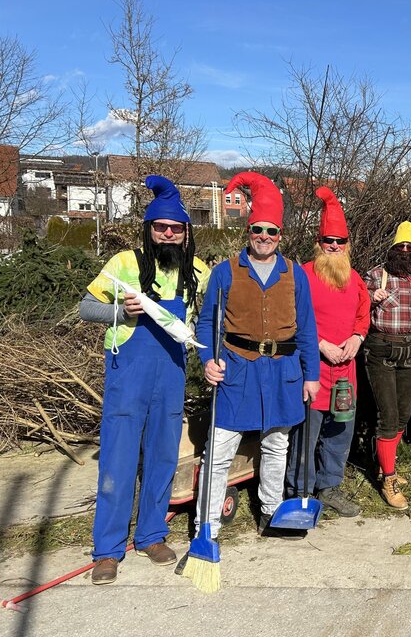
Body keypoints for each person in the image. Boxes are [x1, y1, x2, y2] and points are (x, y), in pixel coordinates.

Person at [81, 175, 209, 585]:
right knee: (118, 460)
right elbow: (86, 307)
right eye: (161, 228)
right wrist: (123, 313)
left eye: (176, 228)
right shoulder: (124, 264)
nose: (168, 234)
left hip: (170, 375)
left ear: (186, 233)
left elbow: (209, 320)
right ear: (149, 230)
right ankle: (107, 549)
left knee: (163, 457)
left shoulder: (198, 272)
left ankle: (152, 535)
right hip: (127, 375)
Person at [195, 171, 320, 541]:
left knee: (277, 444)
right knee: (218, 451)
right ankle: (208, 526)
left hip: (283, 372)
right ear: (247, 231)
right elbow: (207, 325)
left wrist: (311, 375)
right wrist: (208, 361)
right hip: (237, 370)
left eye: (271, 231)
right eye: (257, 230)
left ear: (280, 235)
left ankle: (271, 512)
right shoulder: (225, 271)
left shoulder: (295, 275)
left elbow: (308, 330)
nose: (264, 237)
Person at [285, 187, 370, 517]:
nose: (334, 247)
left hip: (345, 373)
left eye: (340, 242)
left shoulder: (355, 279)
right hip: (312, 371)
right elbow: (289, 317)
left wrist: (358, 338)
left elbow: (363, 315)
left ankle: (330, 486)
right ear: (318, 243)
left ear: (347, 245)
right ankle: (299, 493)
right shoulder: (303, 275)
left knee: (339, 432)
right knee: (306, 434)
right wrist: (320, 344)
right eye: (328, 241)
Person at [364, 222, 411, 510]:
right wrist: (370, 297)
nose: (405, 251)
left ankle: (384, 466)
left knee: (403, 415)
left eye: (410, 248)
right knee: (388, 416)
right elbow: (353, 305)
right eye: (400, 247)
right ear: (392, 249)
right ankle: (389, 478)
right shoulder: (376, 275)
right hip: (381, 348)